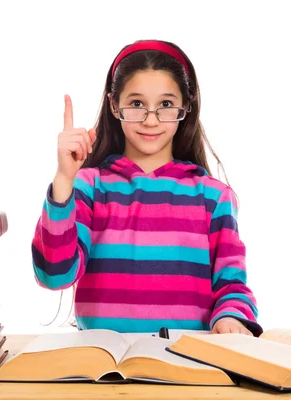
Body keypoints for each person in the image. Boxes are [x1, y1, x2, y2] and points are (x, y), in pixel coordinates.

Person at [31, 39, 262, 336]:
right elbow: (54, 275)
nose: (150, 120)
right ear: (115, 105)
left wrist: (229, 318)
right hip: (103, 369)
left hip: (188, 366)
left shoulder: (213, 198)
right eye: (137, 104)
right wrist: (63, 179)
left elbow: (232, 285)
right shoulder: (89, 187)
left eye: (165, 105)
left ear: (185, 107)